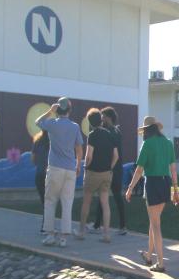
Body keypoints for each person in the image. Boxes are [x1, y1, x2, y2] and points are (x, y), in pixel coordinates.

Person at [125, 116, 178, 273]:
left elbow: (139, 170)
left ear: (146, 131)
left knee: (155, 225)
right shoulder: (168, 143)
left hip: (153, 183)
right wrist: (176, 190)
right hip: (165, 183)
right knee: (154, 221)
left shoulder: (147, 144)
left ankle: (160, 263)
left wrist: (130, 188)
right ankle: (149, 256)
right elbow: (173, 169)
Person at [35, 97, 83, 248]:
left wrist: (50, 111)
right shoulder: (75, 127)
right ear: (69, 110)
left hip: (55, 167)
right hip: (70, 169)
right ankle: (63, 238)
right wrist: (78, 165)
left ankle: (50, 235)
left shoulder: (52, 124)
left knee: (50, 201)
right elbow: (79, 148)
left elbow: (37, 121)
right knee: (67, 202)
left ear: (58, 109)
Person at [77, 108, 119, 242]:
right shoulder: (110, 134)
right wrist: (110, 168)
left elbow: (89, 156)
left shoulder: (92, 135)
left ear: (90, 122)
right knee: (105, 204)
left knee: (86, 202)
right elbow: (116, 156)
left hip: (93, 173)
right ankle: (106, 235)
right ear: (101, 120)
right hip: (107, 174)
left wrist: (85, 167)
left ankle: (81, 232)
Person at [90, 107, 128, 236]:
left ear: (109, 117)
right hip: (114, 169)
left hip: (111, 169)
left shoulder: (111, 132)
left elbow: (112, 152)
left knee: (113, 196)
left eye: (103, 117)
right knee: (109, 196)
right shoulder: (115, 131)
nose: (101, 119)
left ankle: (117, 226)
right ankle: (100, 225)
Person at [31, 129, 50, 234]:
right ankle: (47, 226)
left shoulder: (37, 141)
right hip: (50, 174)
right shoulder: (53, 142)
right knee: (50, 201)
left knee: (44, 201)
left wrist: (39, 164)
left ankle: (46, 226)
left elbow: (33, 159)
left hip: (39, 174)